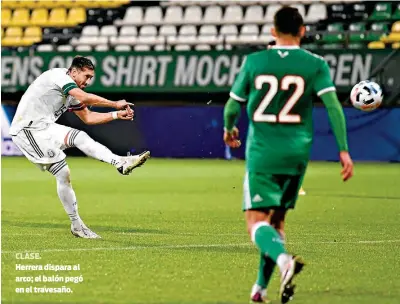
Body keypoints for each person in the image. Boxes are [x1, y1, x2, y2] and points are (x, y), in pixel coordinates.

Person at [223, 6, 353, 304]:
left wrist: (229, 129)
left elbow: (232, 106)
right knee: (277, 222)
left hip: (263, 151)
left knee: (255, 222)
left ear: (272, 31)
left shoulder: (256, 60)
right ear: (303, 31)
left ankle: (284, 261)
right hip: (297, 153)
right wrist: (343, 150)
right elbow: (333, 106)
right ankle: (260, 290)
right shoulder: (316, 64)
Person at [9, 56, 150, 239]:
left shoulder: (73, 92)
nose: (88, 81)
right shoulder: (59, 77)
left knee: (80, 137)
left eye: (91, 77)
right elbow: (84, 97)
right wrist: (114, 103)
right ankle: (77, 225)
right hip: (27, 130)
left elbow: (88, 118)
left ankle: (120, 162)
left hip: (45, 128)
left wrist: (116, 114)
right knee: (63, 173)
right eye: (86, 76)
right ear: (74, 71)